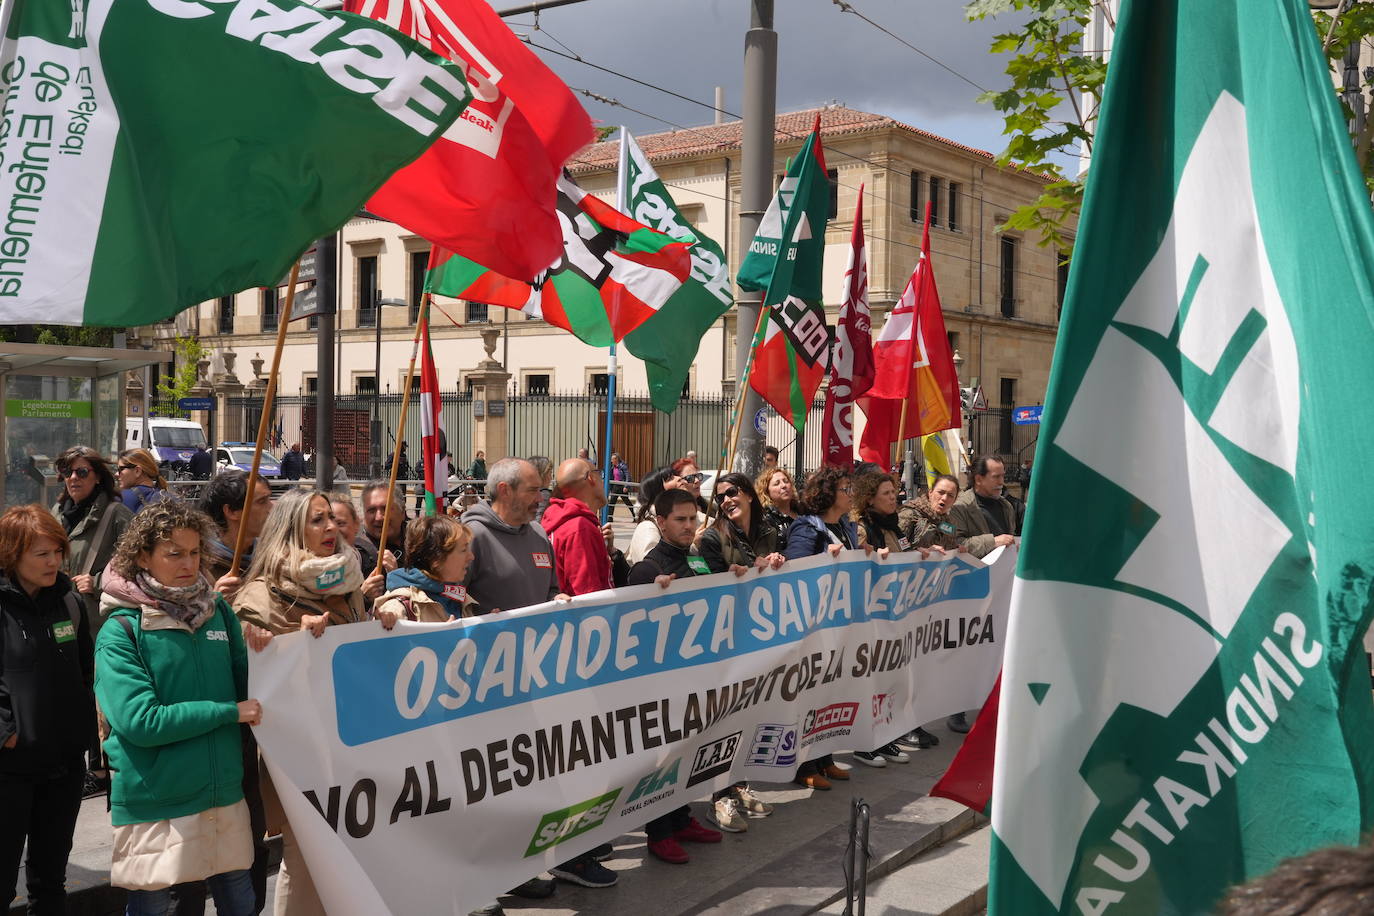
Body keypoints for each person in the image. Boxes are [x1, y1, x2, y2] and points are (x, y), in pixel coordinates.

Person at [96, 502, 262, 916]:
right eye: (174, 553)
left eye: (194, 552)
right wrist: (228, 712)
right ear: (141, 557)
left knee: (241, 905)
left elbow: (257, 688)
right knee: (156, 906)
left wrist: (277, 642)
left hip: (222, 793)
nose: (188, 563)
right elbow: (141, 722)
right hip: (157, 802)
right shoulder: (121, 631)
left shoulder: (218, 612)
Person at [233, 489, 384, 916]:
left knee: (344, 859)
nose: (331, 528)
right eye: (318, 520)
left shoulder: (350, 581)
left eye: (332, 520)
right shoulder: (262, 594)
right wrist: (287, 640)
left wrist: (383, 619)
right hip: (299, 751)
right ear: (292, 527)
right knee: (304, 860)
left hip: (351, 741)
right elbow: (246, 671)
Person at [0, 506, 94, 914]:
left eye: (57, 550)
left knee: (50, 881)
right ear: (12, 555)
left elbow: (87, 672)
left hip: (64, 764)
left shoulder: (69, 602)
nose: (54, 561)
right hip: (9, 768)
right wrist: (7, 731)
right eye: (41, 554)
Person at [627, 488, 725, 864]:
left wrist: (734, 576)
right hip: (661, 686)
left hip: (697, 678)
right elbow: (632, 633)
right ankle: (659, 832)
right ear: (661, 522)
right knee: (661, 761)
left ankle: (681, 818)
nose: (689, 526)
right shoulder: (648, 570)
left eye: (693, 519)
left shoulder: (697, 558)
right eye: (680, 520)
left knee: (690, 751)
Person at [697, 473, 783, 832]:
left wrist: (779, 561)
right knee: (722, 719)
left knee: (748, 712)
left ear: (748, 494)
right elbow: (712, 586)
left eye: (732, 492)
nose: (727, 500)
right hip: (724, 642)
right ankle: (719, 795)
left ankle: (739, 782)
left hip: (757, 637)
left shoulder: (769, 529)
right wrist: (743, 573)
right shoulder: (713, 537)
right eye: (720, 497)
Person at [783, 466, 864, 790]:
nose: (850, 494)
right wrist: (824, 559)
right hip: (814, 627)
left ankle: (825, 756)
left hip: (839, 624)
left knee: (831, 693)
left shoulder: (844, 526)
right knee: (811, 695)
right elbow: (796, 569)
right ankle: (803, 765)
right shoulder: (807, 528)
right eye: (846, 488)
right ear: (829, 494)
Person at [461, 458, 568, 616]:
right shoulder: (471, 537)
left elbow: (551, 590)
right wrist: (479, 621)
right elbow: (449, 601)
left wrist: (556, 600)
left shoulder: (539, 534)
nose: (540, 498)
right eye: (532, 490)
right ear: (504, 490)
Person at [374, 516, 473, 624]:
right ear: (437, 558)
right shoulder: (396, 610)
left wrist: (489, 628)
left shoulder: (457, 596)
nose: (471, 557)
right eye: (463, 550)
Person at [541, 458, 617, 597]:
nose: (602, 481)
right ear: (590, 478)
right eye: (599, 474)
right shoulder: (580, 527)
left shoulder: (560, 518)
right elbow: (588, 595)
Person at [199, 471, 273, 587]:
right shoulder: (200, 567)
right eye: (262, 502)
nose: (272, 508)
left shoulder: (272, 556)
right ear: (231, 511)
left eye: (269, 499)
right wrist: (216, 602)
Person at [627, 466, 683, 565]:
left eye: (677, 475)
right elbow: (652, 568)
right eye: (670, 479)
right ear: (658, 491)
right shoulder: (648, 528)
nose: (679, 478)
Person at [898, 474, 964, 552]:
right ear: (930, 492)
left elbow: (949, 547)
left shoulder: (949, 524)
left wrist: (957, 550)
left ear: (954, 500)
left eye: (950, 495)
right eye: (941, 492)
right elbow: (897, 546)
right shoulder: (910, 514)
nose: (944, 498)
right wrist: (918, 551)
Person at [356, 480, 405, 575]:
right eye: (371, 510)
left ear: (402, 512)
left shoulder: (419, 541)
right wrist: (362, 590)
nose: (378, 517)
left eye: (385, 509)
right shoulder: (355, 552)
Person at [852, 470, 905, 552]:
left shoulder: (894, 526)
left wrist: (919, 554)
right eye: (886, 493)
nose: (892, 497)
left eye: (893, 492)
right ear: (870, 499)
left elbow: (905, 553)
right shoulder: (863, 530)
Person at [755, 467, 799, 551]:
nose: (784, 486)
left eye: (786, 481)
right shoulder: (765, 519)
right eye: (777, 483)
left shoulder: (803, 511)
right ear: (766, 491)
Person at [116, 449, 172, 514]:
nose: (117, 474)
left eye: (121, 469)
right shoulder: (169, 499)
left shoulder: (121, 499)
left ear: (137, 471)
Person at [328, 492, 363, 566]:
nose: (334, 529)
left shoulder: (373, 562)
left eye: (340, 523)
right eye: (327, 525)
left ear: (356, 524)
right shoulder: (311, 569)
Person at [526, 455, 554, 524]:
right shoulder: (544, 494)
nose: (551, 477)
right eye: (550, 473)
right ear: (543, 474)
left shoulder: (522, 492)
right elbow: (538, 520)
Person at [607, 452, 633, 518]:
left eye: (612, 459)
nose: (611, 461)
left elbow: (628, 476)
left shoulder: (623, 466)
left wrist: (626, 486)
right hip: (615, 486)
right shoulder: (612, 467)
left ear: (616, 459)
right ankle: (610, 518)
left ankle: (634, 516)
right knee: (612, 502)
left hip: (622, 486)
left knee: (627, 502)